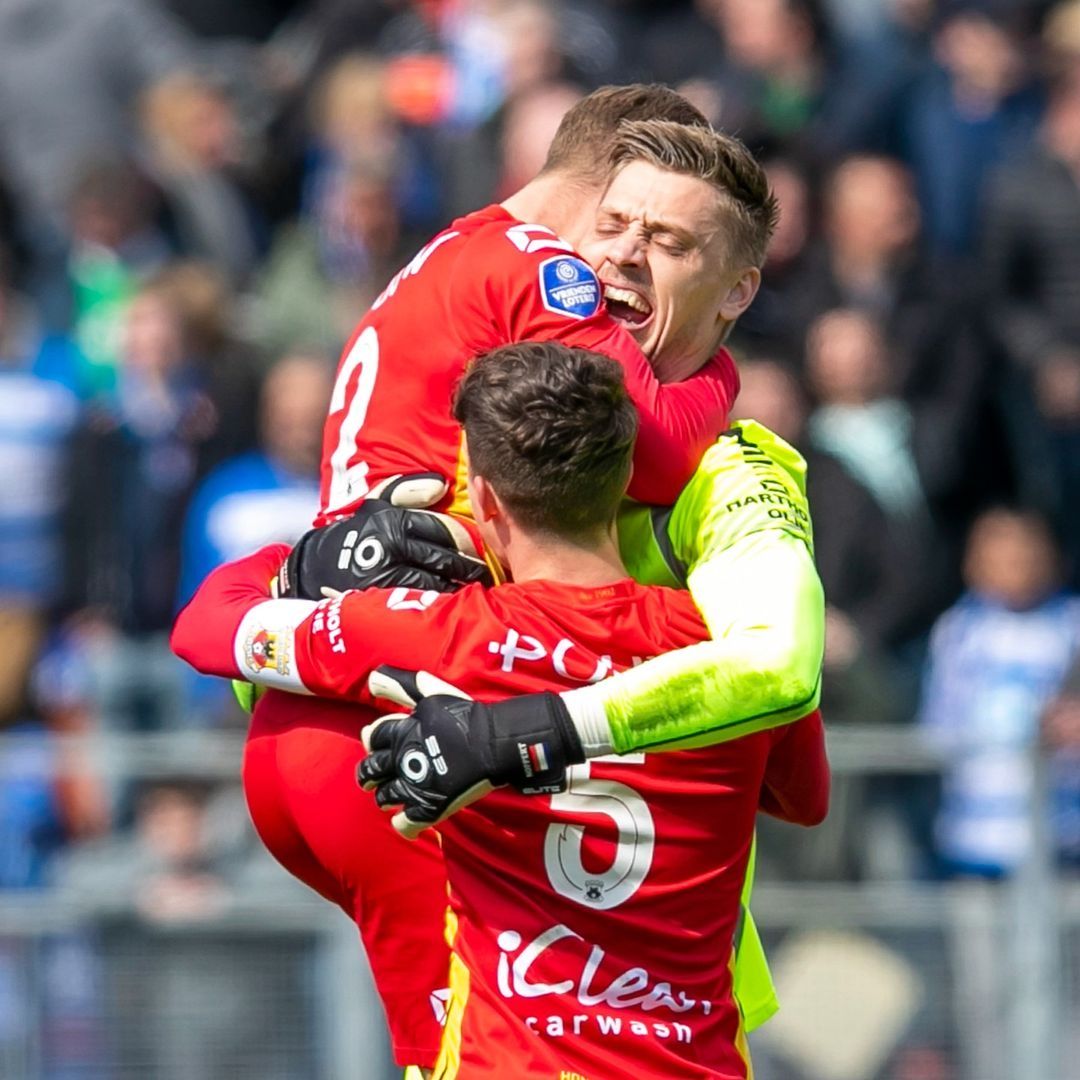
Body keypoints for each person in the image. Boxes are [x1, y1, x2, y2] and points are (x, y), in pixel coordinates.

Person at [212, 87, 797, 1070]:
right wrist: (721, 383)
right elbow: (651, 452)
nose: (618, 256)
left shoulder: (446, 258)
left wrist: (288, 581)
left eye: (660, 237)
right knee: (471, 1052)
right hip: (413, 720)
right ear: (601, 183)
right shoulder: (545, 275)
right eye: (618, 221)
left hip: (317, 698)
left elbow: (223, 618)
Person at [173, 341, 830, 1079]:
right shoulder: (716, 648)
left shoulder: (438, 635)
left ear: (482, 498)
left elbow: (205, 628)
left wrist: (305, 563)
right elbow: (805, 799)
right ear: (623, 482)